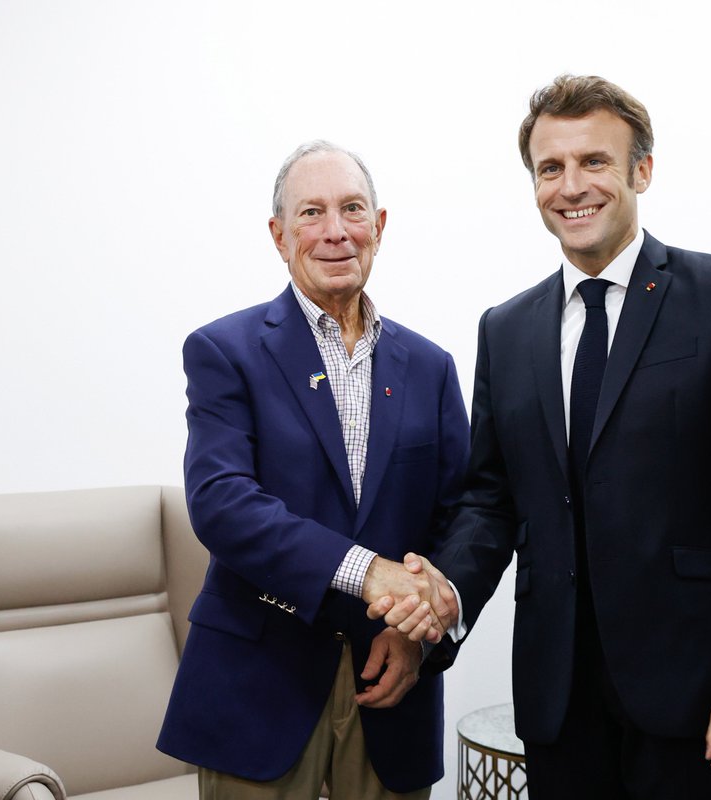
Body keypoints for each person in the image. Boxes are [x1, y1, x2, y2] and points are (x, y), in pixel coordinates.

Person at [374, 75, 711, 799]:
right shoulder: (505, 330)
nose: (571, 186)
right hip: (557, 700)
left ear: (642, 170)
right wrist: (445, 593)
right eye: (551, 168)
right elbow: (490, 500)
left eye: (594, 162)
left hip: (696, 695)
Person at [156, 140, 469, 800]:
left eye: (353, 209)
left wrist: (421, 636)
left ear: (379, 227)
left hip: (395, 691)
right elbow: (221, 503)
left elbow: (461, 518)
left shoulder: (432, 367)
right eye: (311, 213)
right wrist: (368, 572)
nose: (335, 231)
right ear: (279, 235)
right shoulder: (225, 352)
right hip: (259, 687)